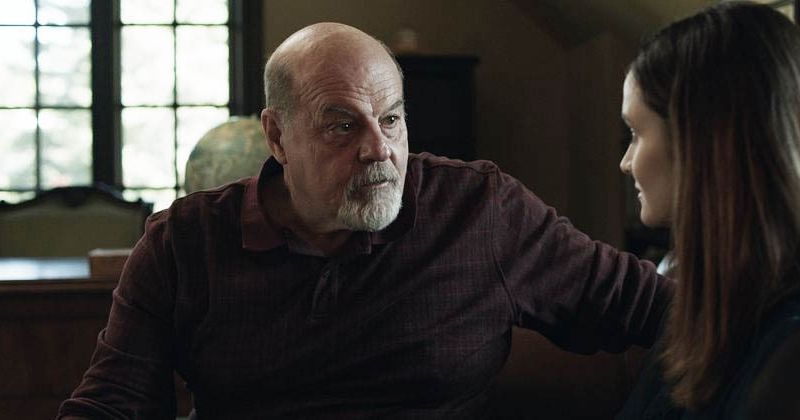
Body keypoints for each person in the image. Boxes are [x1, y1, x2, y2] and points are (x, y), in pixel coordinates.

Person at [59, 22, 672, 419]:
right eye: (343, 125)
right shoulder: (185, 242)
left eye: (392, 119)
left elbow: (651, 307)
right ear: (277, 136)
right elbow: (114, 403)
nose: (379, 149)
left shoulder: (479, 209)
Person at [617, 2, 800, 419]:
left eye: (635, 133)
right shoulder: (709, 304)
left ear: (697, 143)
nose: (626, 163)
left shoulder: (786, 352)